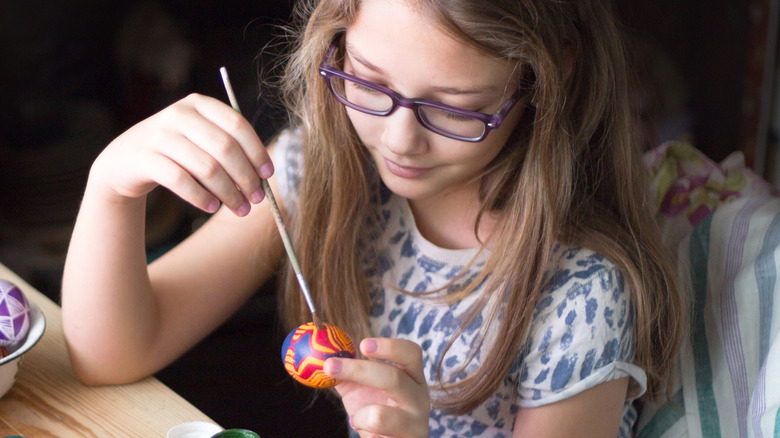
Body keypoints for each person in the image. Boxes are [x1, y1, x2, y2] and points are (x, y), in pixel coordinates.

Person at [61, 0, 687, 436]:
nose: (399, 140)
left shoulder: (581, 295)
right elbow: (112, 353)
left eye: (454, 108)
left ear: (550, 75)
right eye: (367, 82)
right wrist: (112, 186)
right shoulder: (320, 170)